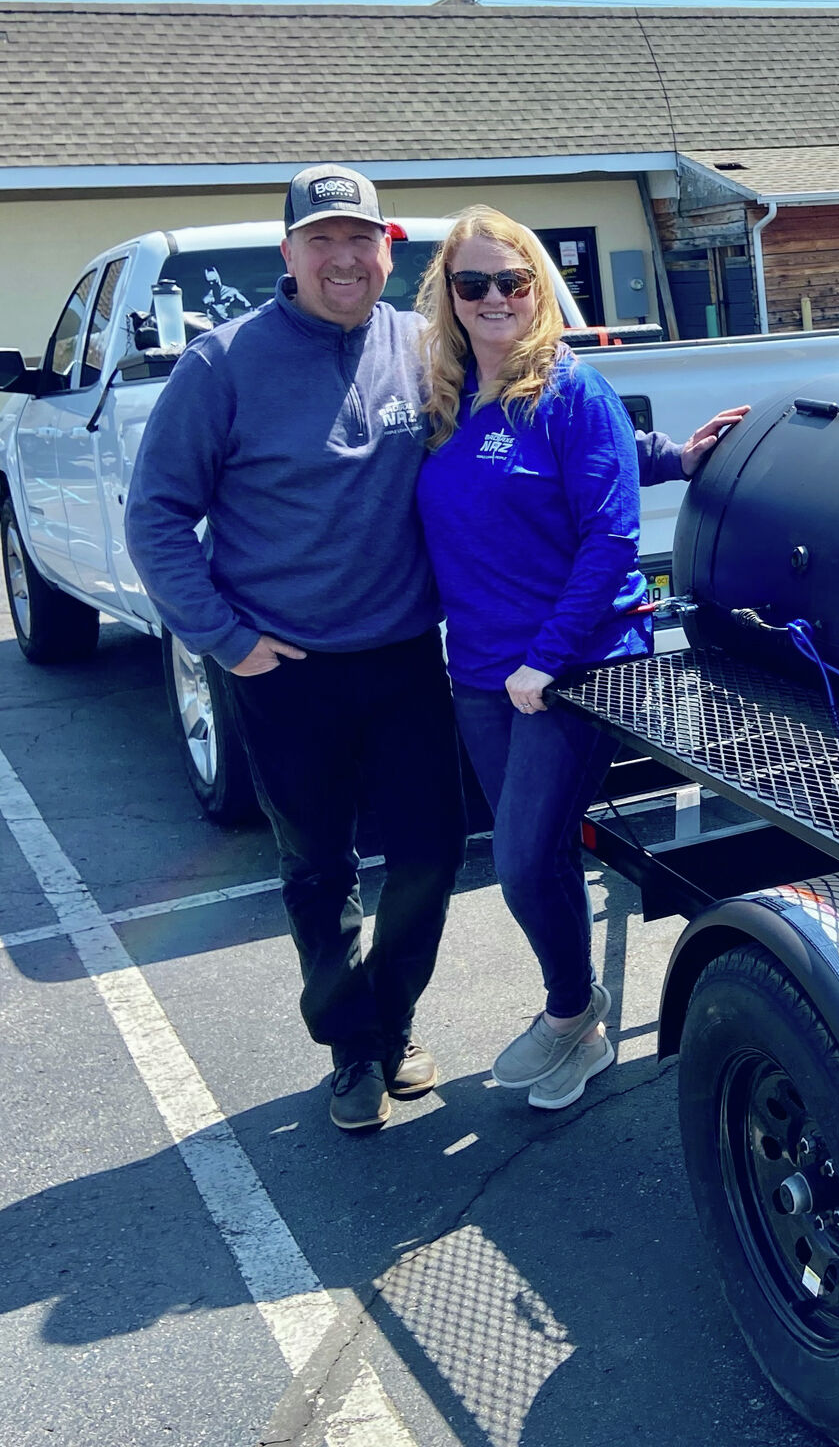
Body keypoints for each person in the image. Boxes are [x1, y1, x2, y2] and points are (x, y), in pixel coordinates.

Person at [127, 164, 465, 1132]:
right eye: (320, 239)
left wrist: (662, 457)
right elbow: (156, 517)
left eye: (359, 238)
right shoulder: (223, 364)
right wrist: (228, 641)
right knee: (318, 870)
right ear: (288, 254)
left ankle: (392, 1020)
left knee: (432, 856)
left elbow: (526, 435)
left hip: (405, 661)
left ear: (387, 250)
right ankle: (352, 1051)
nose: (342, 257)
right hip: (285, 672)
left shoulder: (422, 347)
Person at [414, 205, 746, 1110]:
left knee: (522, 861)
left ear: (538, 290)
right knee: (538, 854)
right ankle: (577, 1019)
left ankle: (572, 1015)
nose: (493, 299)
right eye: (471, 283)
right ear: (448, 295)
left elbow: (608, 539)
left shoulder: (570, 389)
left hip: (573, 671)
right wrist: (670, 453)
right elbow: (582, 467)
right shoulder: (445, 398)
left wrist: (547, 662)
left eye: (511, 282)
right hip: (480, 668)